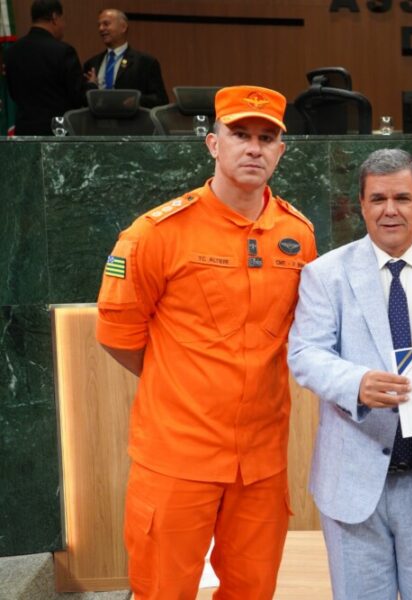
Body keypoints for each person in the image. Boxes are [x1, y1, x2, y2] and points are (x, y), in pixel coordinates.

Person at [95, 85, 316, 598]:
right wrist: (185, 387)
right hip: (178, 459)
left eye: (267, 138)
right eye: (240, 134)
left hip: (260, 463)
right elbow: (118, 336)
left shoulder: (298, 234)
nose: (253, 148)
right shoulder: (156, 234)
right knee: (163, 591)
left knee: (252, 590)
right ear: (212, 143)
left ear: (281, 151)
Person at [288, 148, 412, 600]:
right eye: (377, 199)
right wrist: (355, 383)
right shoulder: (325, 274)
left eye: (402, 197)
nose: (389, 210)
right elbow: (305, 353)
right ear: (361, 205)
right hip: (353, 482)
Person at [3, 0, 95, 135]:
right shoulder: (63, 51)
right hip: (57, 131)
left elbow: (13, 93)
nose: (64, 25)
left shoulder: (12, 51)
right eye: (63, 19)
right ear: (55, 18)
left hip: (24, 131)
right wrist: (92, 85)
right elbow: (78, 97)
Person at [83, 8, 169, 108]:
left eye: (106, 24)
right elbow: (82, 101)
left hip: (130, 121)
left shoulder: (145, 62)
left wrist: (137, 100)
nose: (101, 29)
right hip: (99, 122)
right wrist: (91, 87)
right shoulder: (91, 64)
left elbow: (161, 99)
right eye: (99, 25)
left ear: (123, 27)